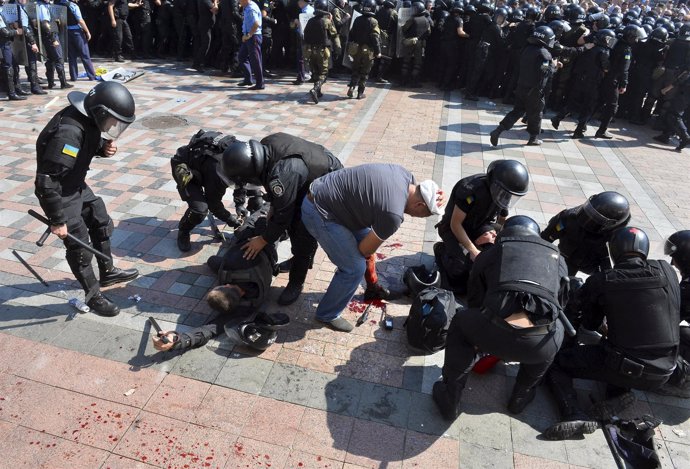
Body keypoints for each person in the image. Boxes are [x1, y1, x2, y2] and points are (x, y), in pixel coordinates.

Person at [544, 227, 683, 440]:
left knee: (556, 362)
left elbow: (590, 325)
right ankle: (617, 395)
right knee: (625, 349)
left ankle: (572, 412)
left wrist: (579, 299)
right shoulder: (666, 270)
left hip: (625, 363)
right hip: (666, 369)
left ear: (614, 251)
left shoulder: (602, 280)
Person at [433, 216, 569, 421]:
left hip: (492, 335)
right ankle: (520, 397)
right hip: (539, 345)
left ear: (506, 234)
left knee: (461, 322)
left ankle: (450, 397)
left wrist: (486, 331)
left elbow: (475, 298)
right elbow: (561, 303)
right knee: (557, 329)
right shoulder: (558, 258)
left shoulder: (495, 251)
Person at [34, 82, 139, 317]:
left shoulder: (87, 117)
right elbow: (47, 181)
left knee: (100, 219)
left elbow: (86, 143)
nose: (113, 126)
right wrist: (57, 219)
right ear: (100, 112)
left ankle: (108, 271)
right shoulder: (68, 133)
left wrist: (102, 148)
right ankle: (93, 297)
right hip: (60, 194)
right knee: (80, 247)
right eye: (112, 120)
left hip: (75, 184)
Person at [300, 163, 444, 332]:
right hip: (319, 210)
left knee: (366, 244)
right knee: (354, 268)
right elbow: (364, 250)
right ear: (419, 205)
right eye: (427, 214)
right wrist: (353, 253)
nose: (423, 217)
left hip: (331, 196)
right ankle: (327, 314)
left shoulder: (406, 176)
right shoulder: (393, 215)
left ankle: (372, 287)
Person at [219, 132, 343, 306]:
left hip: (325, 186)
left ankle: (296, 282)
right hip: (307, 175)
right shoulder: (265, 146)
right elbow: (274, 188)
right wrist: (273, 206)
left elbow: (283, 215)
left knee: (302, 232)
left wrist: (262, 240)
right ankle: (301, 260)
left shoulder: (284, 174)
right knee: (286, 217)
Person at [153, 210, 289, 353]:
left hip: (268, 251)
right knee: (260, 220)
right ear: (227, 285)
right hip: (259, 240)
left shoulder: (247, 306)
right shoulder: (229, 267)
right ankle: (276, 223)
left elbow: (210, 329)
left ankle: (279, 230)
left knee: (214, 259)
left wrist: (178, 342)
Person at [435, 159, 529, 263]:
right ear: (495, 185)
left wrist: (496, 236)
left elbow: (502, 220)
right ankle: (441, 250)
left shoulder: (503, 191)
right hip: (452, 228)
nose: (507, 198)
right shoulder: (470, 191)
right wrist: (473, 251)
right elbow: (455, 224)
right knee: (461, 266)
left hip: (479, 225)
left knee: (493, 254)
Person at [170, 129, 242, 252]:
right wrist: (232, 221)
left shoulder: (243, 156)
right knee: (200, 209)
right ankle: (184, 230)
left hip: (205, 166)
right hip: (186, 167)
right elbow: (214, 205)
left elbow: (245, 183)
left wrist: (240, 204)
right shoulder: (218, 173)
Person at [489, 26, 557, 147]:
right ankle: (534, 138)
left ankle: (498, 130)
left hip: (521, 86)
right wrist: (554, 66)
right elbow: (544, 72)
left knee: (517, 111)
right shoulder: (544, 54)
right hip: (534, 89)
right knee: (536, 113)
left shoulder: (527, 49)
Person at [541, 191, 630, 275]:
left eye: (596, 220)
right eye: (588, 212)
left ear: (612, 225)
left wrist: (607, 277)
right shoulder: (568, 218)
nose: (587, 219)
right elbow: (545, 237)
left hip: (591, 264)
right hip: (565, 256)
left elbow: (617, 259)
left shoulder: (616, 233)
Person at [551, 29, 615, 138]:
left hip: (580, 78)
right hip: (593, 82)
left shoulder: (589, 46)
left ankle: (559, 117)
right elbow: (606, 68)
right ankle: (579, 130)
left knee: (574, 102)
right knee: (588, 106)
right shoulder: (604, 51)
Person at [595, 25, 645, 139]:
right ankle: (602, 130)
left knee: (597, 101)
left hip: (604, 76)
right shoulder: (626, 50)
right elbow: (624, 69)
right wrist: (624, 84)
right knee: (612, 106)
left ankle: (581, 124)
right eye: (635, 37)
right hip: (614, 79)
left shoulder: (616, 42)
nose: (636, 40)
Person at [433, 223, 496, 295]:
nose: (495, 235)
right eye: (490, 233)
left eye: (494, 233)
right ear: (478, 240)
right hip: (457, 281)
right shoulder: (460, 264)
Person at [302, 0, 340, 104]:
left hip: (310, 51)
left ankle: (318, 92)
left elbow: (305, 36)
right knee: (324, 73)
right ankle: (315, 89)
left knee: (315, 72)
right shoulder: (327, 21)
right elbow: (334, 35)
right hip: (322, 51)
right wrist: (338, 49)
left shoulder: (310, 21)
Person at [346, 0, 380, 99]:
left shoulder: (357, 19)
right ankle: (360, 93)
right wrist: (378, 52)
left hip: (356, 49)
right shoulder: (373, 21)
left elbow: (351, 34)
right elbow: (375, 38)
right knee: (364, 73)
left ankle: (352, 87)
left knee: (355, 70)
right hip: (367, 51)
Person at [36, 0, 73, 89]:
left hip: (50, 36)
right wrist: (53, 39)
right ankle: (63, 83)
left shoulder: (44, 6)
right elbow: (45, 24)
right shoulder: (42, 7)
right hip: (51, 36)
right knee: (58, 59)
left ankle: (51, 83)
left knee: (51, 60)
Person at [57, 0, 97, 82]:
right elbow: (80, 20)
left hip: (65, 32)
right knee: (85, 54)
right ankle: (92, 75)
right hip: (76, 32)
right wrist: (87, 31)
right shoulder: (73, 5)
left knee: (72, 56)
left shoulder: (57, 5)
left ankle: (73, 76)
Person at [400, 1, 431, 87]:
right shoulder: (426, 20)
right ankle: (414, 82)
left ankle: (403, 81)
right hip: (420, 43)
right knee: (417, 64)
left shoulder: (412, 19)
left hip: (410, 41)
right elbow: (428, 32)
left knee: (406, 62)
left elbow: (404, 29)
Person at [0, 5, 27, 101]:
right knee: (8, 67)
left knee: (13, 66)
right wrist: (16, 31)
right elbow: (4, 32)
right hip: (3, 44)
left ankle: (15, 89)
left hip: (6, 43)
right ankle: (11, 93)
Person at [237, 0, 264, 90]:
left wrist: (249, 35)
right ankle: (248, 79)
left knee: (255, 60)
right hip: (248, 36)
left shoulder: (251, 8)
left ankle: (260, 83)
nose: (239, 2)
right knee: (241, 56)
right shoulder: (247, 7)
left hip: (253, 36)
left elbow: (256, 23)